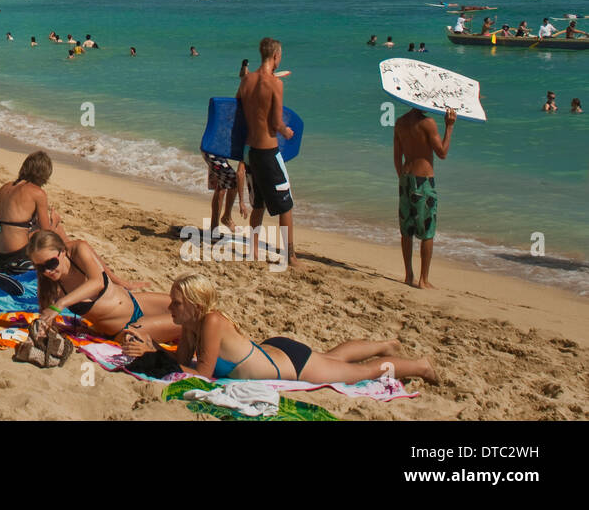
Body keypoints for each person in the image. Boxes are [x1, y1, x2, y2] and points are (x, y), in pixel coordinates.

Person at [124, 272, 437, 384]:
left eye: (176, 303)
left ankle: (420, 366)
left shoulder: (212, 322)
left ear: (194, 304)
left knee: (365, 373)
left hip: (291, 365)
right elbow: (181, 366)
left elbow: (202, 375)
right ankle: (384, 345)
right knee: (332, 357)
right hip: (275, 351)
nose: (170, 308)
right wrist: (150, 346)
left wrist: (154, 352)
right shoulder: (191, 326)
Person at [26, 230, 177, 343]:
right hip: (125, 329)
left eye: (51, 263)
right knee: (190, 326)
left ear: (63, 251)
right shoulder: (48, 282)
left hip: (136, 302)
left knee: (194, 309)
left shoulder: (78, 250)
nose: (47, 271)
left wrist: (121, 282)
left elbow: (97, 281)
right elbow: (46, 318)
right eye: (39, 267)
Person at [237, 37, 299, 266]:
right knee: (286, 206)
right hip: (268, 152)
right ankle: (290, 256)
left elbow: (236, 108)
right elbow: (275, 124)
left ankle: (253, 252)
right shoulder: (275, 84)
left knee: (259, 204)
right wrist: (287, 131)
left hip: (251, 152)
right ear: (275, 56)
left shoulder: (246, 81)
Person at [393, 105, 456, 289]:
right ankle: (423, 280)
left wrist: (403, 179)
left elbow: (397, 157)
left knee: (407, 230)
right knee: (427, 231)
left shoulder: (400, 123)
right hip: (424, 181)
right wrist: (450, 126)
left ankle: (408, 275)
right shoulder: (428, 123)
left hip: (405, 179)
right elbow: (442, 153)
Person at [0, 152, 62, 272]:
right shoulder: (37, 193)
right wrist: (54, 221)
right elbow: (46, 235)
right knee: (57, 230)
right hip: (17, 261)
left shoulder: (5, 187)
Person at [204, 151, 249, 232]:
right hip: (214, 154)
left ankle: (214, 227)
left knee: (221, 186)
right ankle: (225, 218)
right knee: (233, 181)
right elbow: (240, 173)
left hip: (210, 149)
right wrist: (241, 201)